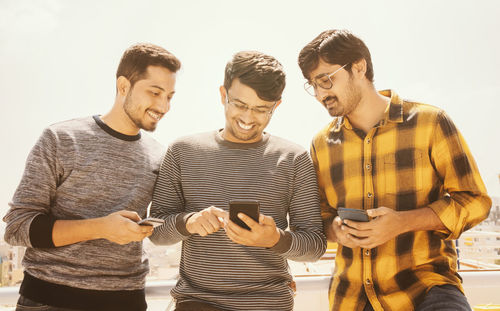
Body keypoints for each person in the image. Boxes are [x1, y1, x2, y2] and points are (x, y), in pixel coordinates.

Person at [298, 29, 492, 311]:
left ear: (359, 67)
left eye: (326, 80)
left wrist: (403, 222)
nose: (320, 94)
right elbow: (321, 216)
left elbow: (475, 201)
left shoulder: (430, 123)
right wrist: (336, 230)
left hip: (427, 289)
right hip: (352, 298)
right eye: (312, 85)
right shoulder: (321, 144)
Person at [3, 43, 181, 311]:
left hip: (127, 301)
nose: (164, 106)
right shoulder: (62, 139)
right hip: (49, 301)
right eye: (155, 92)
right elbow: (17, 228)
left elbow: (162, 227)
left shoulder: (158, 155)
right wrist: (101, 227)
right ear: (123, 86)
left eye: (169, 96)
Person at [150, 50, 327, 311]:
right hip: (198, 302)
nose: (247, 118)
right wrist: (189, 222)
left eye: (260, 109)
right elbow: (155, 230)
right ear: (223, 95)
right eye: (240, 105)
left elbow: (314, 245)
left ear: (276, 105)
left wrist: (274, 239)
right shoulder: (182, 151)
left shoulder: (294, 158)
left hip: (269, 305)